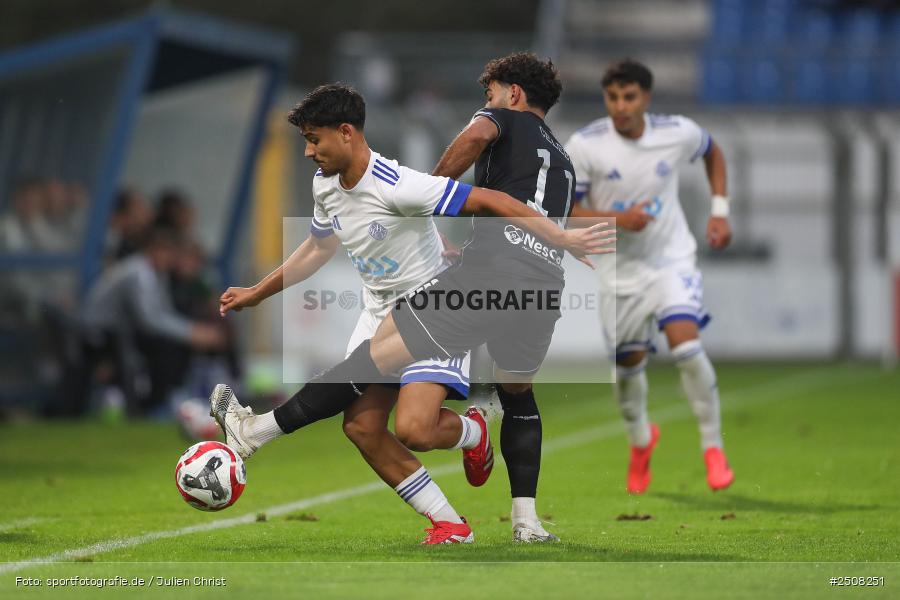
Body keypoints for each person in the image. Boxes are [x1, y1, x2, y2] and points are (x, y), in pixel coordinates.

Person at [211, 83, 614, 541]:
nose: (307, 151)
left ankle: (466, 433)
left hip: (429, 302)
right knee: (361, 427)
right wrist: (259, 292)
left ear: (346, 132)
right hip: (377, 310)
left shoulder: (398, 184)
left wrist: (559, 237)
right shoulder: (326, 185)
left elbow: (493, 200)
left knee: (415, 429)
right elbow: (318, 247)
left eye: (314, 138)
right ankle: (451, 521)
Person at [563, 59, 734, 493]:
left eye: (629, 97)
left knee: (687, 347)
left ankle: (713, 449)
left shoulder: (676, 132)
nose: (620, 106)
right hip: (617, 271)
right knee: (628, 369)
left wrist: (719, 211)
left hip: (670, 260)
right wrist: (618, 218)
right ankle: (641, 441)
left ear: (646, 98)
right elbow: (567, 212)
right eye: (613, 97)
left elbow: (713, 152)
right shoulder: (585, 145)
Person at [425, 52, 575, 541]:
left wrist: (427, 190)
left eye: (489, 94)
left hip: (497, 268)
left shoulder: (501, 118)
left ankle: (470, 426)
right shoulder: (565, 160)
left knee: (390, 344)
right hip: (545, 284)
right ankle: (527, 522)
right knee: (519, 393)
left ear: (513, 94)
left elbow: (475, 137)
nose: (484, 104)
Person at [79, 226, 226, 416]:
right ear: (154, 250)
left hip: (123, 331)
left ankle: (170, 398)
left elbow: (164, 312)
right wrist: (191, 332)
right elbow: (149, 319)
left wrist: (193, 331)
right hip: (99, 331)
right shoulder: (138, 272)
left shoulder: (157, 272)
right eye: (166, 252)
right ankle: (153, 406)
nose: (170, 258)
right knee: (166, 348)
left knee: (174, 344)